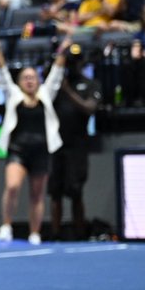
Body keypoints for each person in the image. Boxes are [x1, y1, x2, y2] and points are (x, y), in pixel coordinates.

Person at [0, 33, 73, 245]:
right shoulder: (14, 96)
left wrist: (63, 50)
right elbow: (1, 74)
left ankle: (34, 232)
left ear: (38, 81)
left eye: (32, 77)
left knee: (37, 194)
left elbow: (56, 73)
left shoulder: (46, 95)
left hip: (41, 150)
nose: (29, 81)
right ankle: (6, 225)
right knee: (12, 186)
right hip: (18, 149)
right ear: (19, 82)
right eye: (25, 78)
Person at [48, 49, 101, 240]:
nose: (71, 66)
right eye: (69, 62)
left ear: (82, 63)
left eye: (75, 62)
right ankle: (55, 234)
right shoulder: (53, 86)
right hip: (56, 145)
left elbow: (90, 108)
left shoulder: (90, 84)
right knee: (55, 193)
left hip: (78, 145)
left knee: (76, 191)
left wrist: (67, 91)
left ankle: (80, 234)